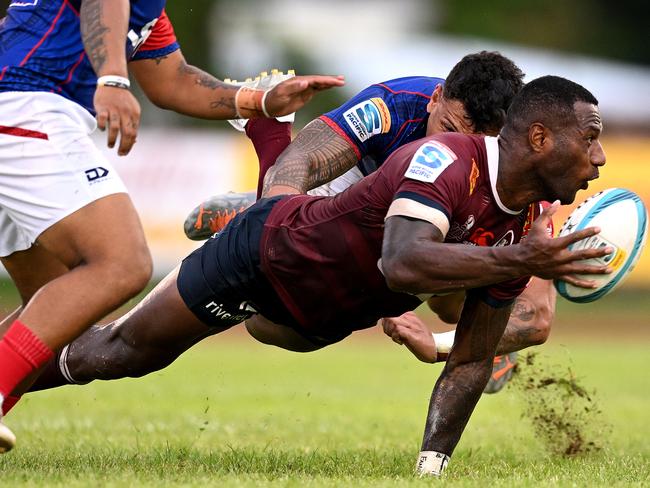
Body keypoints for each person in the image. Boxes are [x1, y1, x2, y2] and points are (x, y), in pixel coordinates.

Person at [11, 77, 609, 476]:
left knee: (489, 307)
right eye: (591, 141)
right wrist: (271, 204)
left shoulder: (526, 213)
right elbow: (397, 257)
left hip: (331, 303)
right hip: (286, 247)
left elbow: (510, 329)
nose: (600, 157)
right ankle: (259, 164)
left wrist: (434, 449)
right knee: (125, 352)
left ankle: (265, 190)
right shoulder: (429, 143)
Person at [0, 0, 344, 452]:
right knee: (120, 264)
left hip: (19, 108)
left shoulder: (148, 9)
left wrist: (260, 101)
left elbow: (171, 79)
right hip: (26, 107)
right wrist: (112, 80)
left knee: (57, 300)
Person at [183, 51, 548, 390]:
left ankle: (488, 341)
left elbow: (535, 318)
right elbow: (303, 159)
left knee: (456, 303)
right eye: (447, 128)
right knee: (270, 327)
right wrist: (268, 221)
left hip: (433, 226)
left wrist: (442, 346)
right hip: (357, 194)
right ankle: (266, 154)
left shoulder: (523, 174)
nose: (454, 148)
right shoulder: (395, 106)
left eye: (473, 144)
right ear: (435, 99)